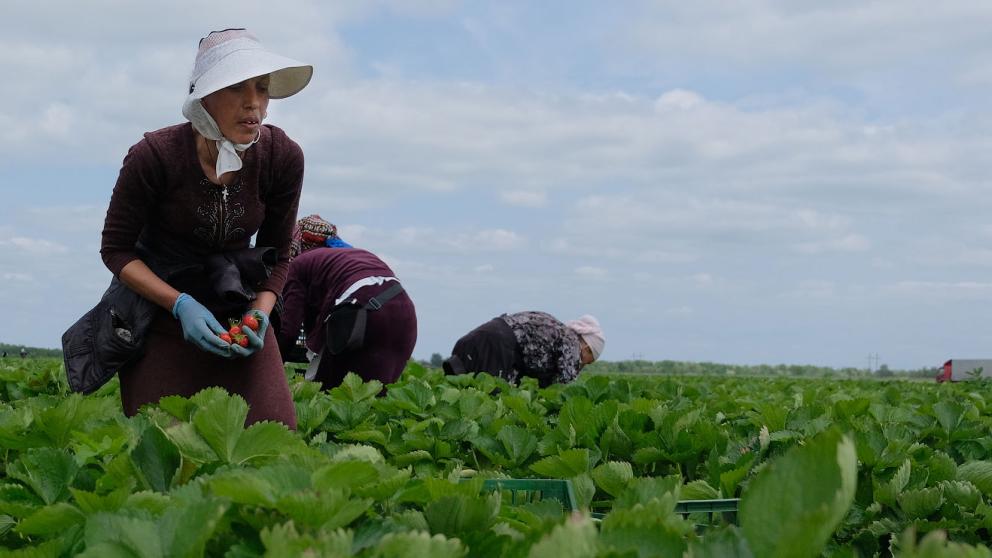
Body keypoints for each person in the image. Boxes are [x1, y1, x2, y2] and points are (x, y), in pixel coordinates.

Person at [98, 29, 312, 427]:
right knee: (165, 445)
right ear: (204, 97)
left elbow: (279, 254)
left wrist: (258, 316)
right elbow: (116, 250)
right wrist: (181, 305)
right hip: (159, 313)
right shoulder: (155, 156)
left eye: (262, 88)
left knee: (274, 436)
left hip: (237, 310)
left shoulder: (282, 156)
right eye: (236, 88)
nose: (254, 103)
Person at [275, 215, 418, 390]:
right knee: (378, 396)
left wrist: (269, 368)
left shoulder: (300, 263)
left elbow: (289, 330)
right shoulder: (357, 255)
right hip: (405, 314)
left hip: (360, 310)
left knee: (326, 393)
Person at [442, 312, 604, 387]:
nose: (584, 365)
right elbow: (565, 384)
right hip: (498, 346)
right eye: (591, 360)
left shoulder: (558, 330)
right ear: (587, 348)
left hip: (486, 337)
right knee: (491, 398)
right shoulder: (571, 341)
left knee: (467, 388)